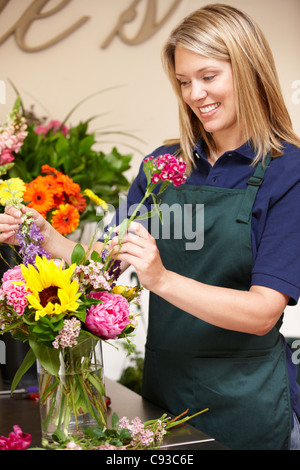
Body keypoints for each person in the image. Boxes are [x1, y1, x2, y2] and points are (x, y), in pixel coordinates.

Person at [1, 3, 300, 449]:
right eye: (183, 82)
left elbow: (262, 314)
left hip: (251, 401)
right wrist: (43, 235)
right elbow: (102, 266)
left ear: (249, 70)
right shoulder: (164, 166)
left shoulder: (287, 172)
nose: (195, 94)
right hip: (165, 400)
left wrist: (160, 279)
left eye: (209, 76)